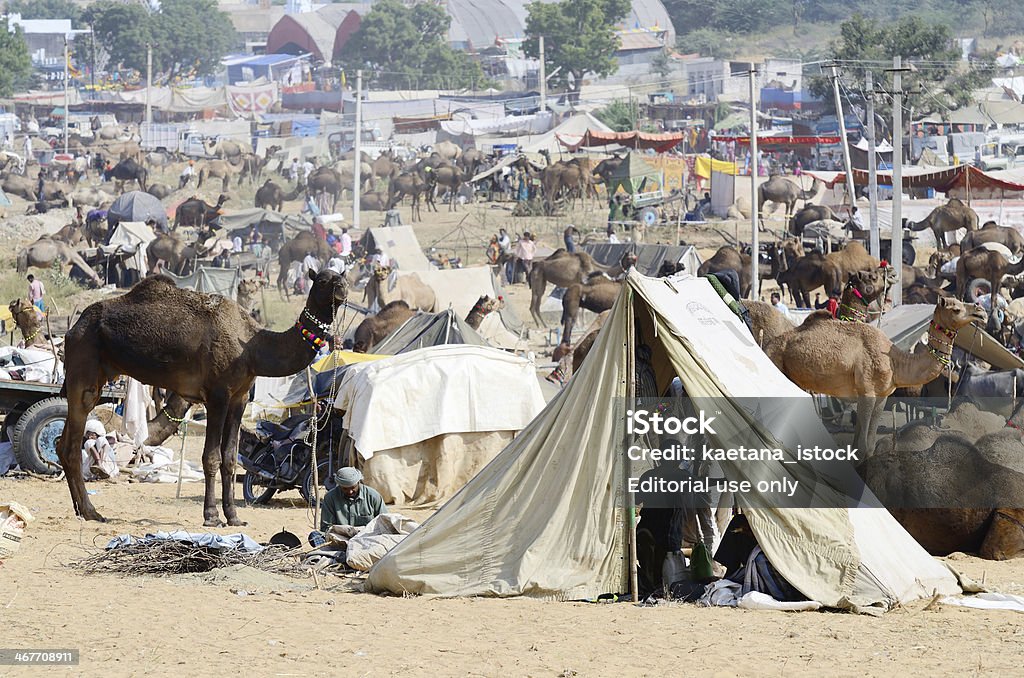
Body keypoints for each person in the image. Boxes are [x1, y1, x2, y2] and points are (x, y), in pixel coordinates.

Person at [317, 467, 388, 533]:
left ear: (358, 482)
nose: (350, 491)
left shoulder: (373, 496)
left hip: (368, 538)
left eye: (353, 487)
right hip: (340, 538)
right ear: (339, 485)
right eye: (345, 489)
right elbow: (326, 528)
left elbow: (385, 522)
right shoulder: (330, 498)